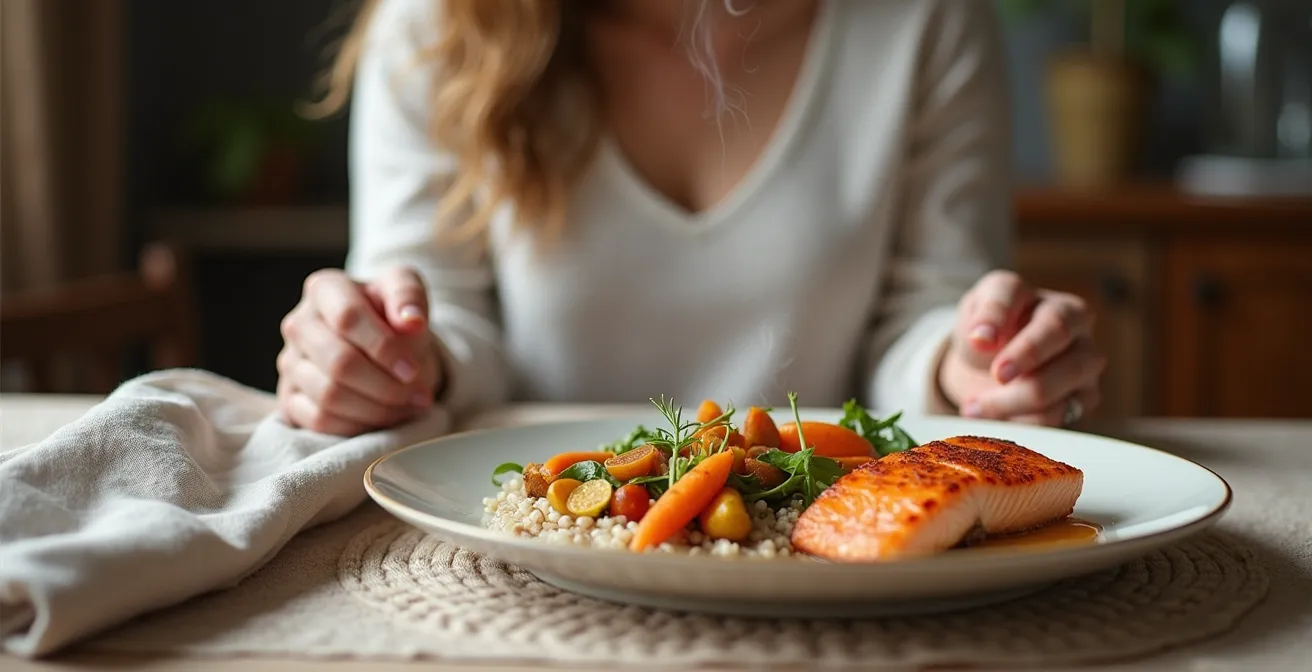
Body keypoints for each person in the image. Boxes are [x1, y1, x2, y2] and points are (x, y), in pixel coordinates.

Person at [276, 0, 1106, 437]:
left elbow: (919, 322)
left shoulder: (927, 19)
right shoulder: (439, 24)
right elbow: (441, 316)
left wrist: (969, 367)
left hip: (820, 550)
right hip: (525, 541)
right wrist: (387, 361)